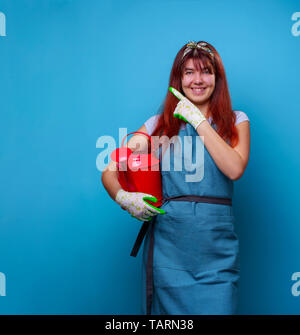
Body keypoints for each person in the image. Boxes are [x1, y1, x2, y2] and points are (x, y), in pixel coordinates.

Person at [101, 41, 250, 315]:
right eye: (189, 72)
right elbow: (110, 169)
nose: (198, 80)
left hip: (217, 253)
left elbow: (234, 169)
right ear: (178, 80)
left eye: (206, 71)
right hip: (169, 253)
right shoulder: (157, 126)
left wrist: (199, 122)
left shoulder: (236, 120)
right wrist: (123, 197)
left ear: (217, 78)